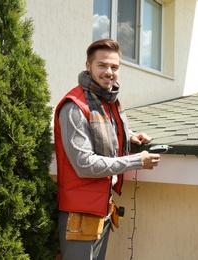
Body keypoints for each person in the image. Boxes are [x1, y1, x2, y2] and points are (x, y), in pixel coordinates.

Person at [54, 38, 161, 260]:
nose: (109, 72)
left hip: (103, 205)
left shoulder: (109, 101)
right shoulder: (75, 107)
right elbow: (85, 165)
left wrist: (131, 137)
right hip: (80, 211)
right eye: (102, 65)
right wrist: (137, 161)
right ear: (88, 66)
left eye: (114, 67)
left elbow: (107, 134)